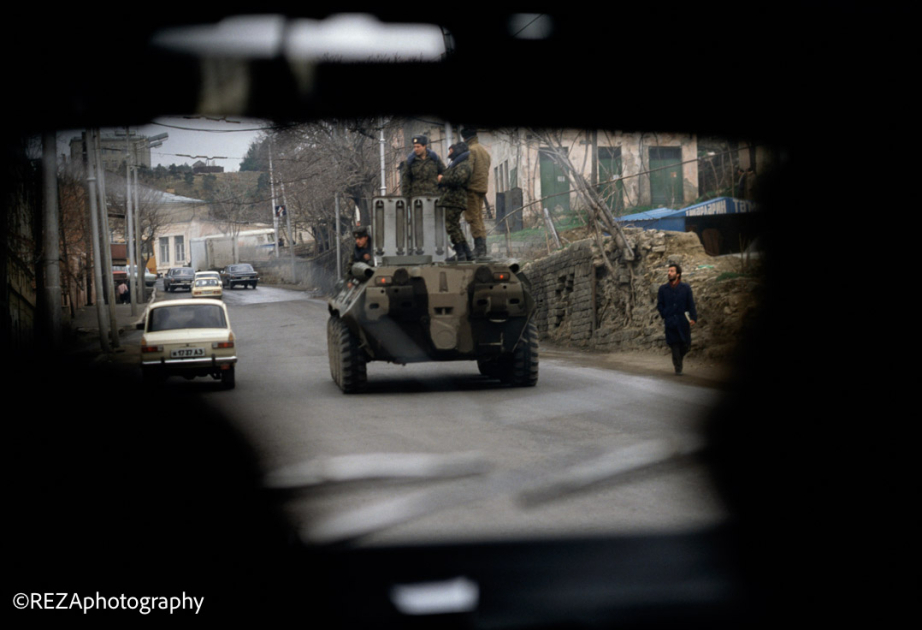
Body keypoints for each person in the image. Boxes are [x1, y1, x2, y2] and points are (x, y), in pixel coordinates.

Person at [657, 262, 698, 375]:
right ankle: (678, 367)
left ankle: (678, 359)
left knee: (686, 345)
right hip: (670, 321)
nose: (669, 273)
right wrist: (665, 313)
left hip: (683, 321)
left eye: (672, 271)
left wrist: (693, 317)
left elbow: (691, 304)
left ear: (678, 274)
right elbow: (660, 305)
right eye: (668, 271)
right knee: (674, 344)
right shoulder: (663, 289)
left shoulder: (685, 288)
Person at [438, 142, 473, 261]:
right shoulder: (456, 164)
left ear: (457, 151)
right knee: (454, 226)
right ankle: (466, 253)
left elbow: (458, 179)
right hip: (451, 199)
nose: (449, 153)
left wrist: (443, 179)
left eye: (450, 151)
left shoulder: (464, 165)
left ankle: (460, 253)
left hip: (455, 200)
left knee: (451, 226)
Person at [460, 127, 491, 259]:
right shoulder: (484, 151)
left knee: (473, 218)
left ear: (465, 138)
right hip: (482, 188)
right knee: (479, 218)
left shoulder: (470, 151)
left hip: (471, 189)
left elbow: (467, 171)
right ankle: (482, 248)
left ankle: (479, 250)